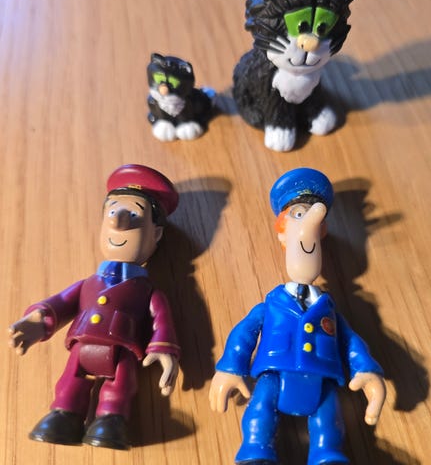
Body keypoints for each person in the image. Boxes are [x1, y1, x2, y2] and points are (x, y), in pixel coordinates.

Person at [209, 168, 386, 464]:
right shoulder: (271, 305)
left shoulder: (329, 309)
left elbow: (349, 341)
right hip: (274, 373)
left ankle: (327, 455)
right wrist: (231, 367)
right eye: (298, 215)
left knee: (328, 420)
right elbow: (244, 333)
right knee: (260, 410)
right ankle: (256, 450)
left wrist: (365, 369)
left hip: (321, 377)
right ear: (282, 234)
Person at [8, 164, 180, 450]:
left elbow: (162, 321)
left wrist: (163, 349)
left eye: (134, 215)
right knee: (70, 380)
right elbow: (62, 302)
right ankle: (64, 414)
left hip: (123, 348)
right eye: (112, 213)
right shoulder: (88, 283)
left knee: (121, 385)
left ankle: (111, 419)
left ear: (157, 233)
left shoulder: (148, 291)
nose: (118, 222)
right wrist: (38, 320)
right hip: (82, 343)